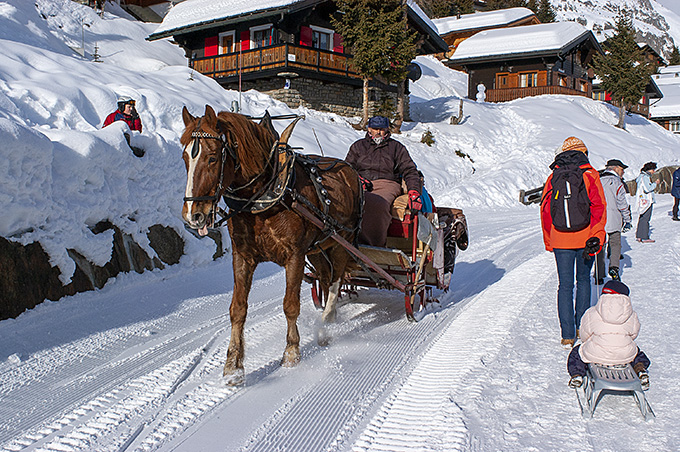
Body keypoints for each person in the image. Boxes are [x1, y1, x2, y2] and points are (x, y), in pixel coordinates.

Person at [540, 137, 606, 348]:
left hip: (560, 238)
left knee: (565, 286)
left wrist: (550, 240)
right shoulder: (590, 174)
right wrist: (598, 236)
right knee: (584, 281)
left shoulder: (553, 176)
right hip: (586, 237)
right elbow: (599, 207)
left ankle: (567, 334)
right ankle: (582, 327)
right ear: (583, 153)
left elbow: (545, 210)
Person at [345, 116, 422, 247]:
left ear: (387, 130)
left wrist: (414, 191)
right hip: (360, 183)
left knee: (376, 203)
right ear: (369, 129)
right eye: (375, 129)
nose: (378, 132)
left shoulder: (396, 148)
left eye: (381, 129)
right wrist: (356, 179)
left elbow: (410, 170)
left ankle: (372, 246)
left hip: (387, 184)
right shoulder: (358, 146)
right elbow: (347, 168)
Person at [567, 280, 650, 390]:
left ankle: (577, 375)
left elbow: (584, 336)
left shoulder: (592, 312)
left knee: (576, 353)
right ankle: (640, 369)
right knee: (637, 352)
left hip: (596, 354)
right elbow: (634, 334)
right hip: (623, 356)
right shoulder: (632, 315)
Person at [594, 159, 632, 284]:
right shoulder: (617, 182)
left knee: (600, 245)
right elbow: (622, 204)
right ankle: (614, 268)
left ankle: (598, 274)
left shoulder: (597, 180)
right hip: (614, 218)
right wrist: (627, 219)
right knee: (615, 243)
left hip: (599, 218)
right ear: (615, 168)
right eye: (622, 170)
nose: (623, 173)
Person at [635, 162, 659, 243]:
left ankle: (639, 235)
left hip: (642, 200)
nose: (654, 171)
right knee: (646, 219)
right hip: (647, 200)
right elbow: (647, 188)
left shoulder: (641, 176)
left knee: (642, 218)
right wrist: (655, 184)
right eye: (653, 170)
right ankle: (644, 237)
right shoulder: (645, 177)